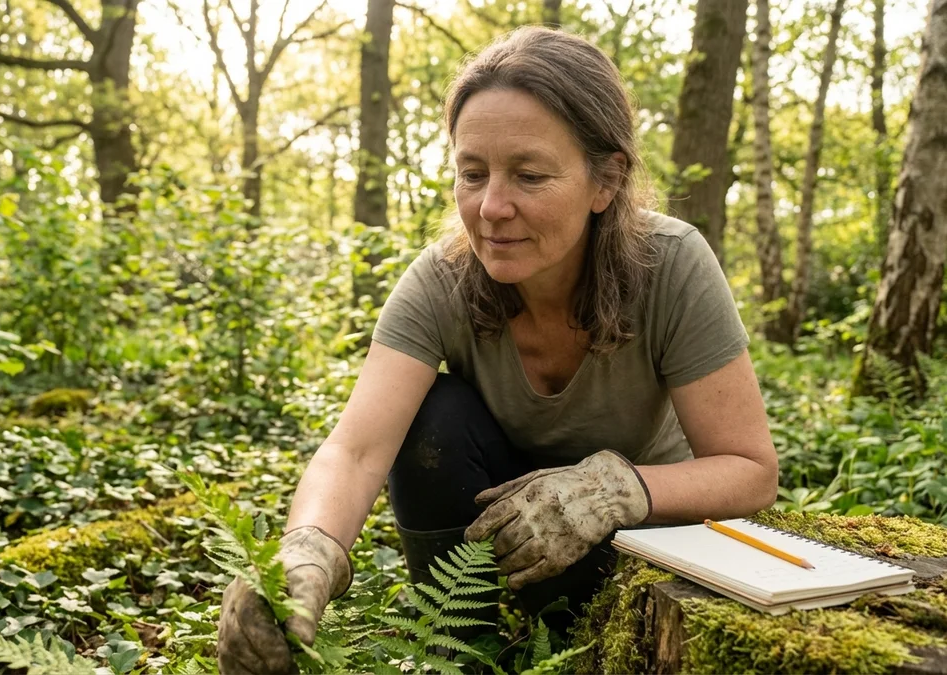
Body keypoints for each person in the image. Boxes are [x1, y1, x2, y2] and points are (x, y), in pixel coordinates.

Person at [215, 26, 778, 674]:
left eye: (529, 175)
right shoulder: (439, 280)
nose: (490, 207)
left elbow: (750, 468)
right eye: (472, 173)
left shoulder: (672, 265)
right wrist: (306, 552)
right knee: (434, 416)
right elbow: (354, 448)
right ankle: (462, 647)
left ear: (606, 180)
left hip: (640, 550)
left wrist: (612, 487)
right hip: (493, 552)